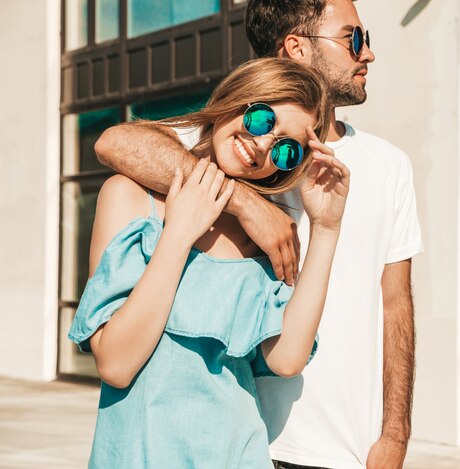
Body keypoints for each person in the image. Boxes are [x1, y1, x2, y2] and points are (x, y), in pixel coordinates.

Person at [95, 1, 423, 468]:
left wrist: (395, 435)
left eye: (289, 149)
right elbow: (114, 142)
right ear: (296, 47)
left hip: (341, 448)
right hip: (252, 438)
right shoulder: (218, 147)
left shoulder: (385, 165)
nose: (367, 53)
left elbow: (396, 304)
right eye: (354, 38)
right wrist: (244, 203)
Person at [68, 58, 350, 468]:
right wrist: (181, 231)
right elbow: (115, 364)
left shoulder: (267, 236)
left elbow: (286, 359)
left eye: (287, 149)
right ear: (237, 97)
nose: (263, 145)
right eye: (261, 119)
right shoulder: (129, 197)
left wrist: (326, 228)